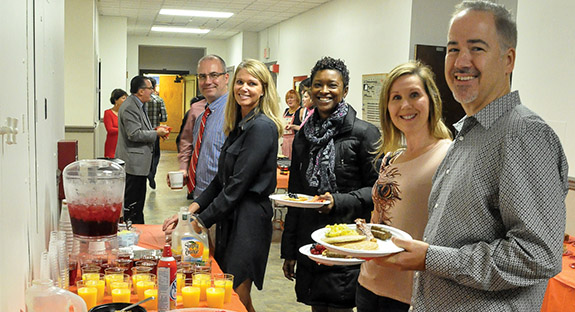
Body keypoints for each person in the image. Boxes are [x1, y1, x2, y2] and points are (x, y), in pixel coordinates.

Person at [374, 1, 569, 311]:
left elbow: (537, 255)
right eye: (453, 49)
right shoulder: (468, 135)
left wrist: (430, 258)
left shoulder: (524, 135)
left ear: (508, 60)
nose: (460, 62)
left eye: (476, 48)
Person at [166, 59, 283, 312]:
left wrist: (199, 220)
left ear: (263, 89)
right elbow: (221, 179)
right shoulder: (238, 125)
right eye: (240, 82)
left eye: (252, 83)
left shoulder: (262, 127)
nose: (244, 88)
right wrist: (190, 212)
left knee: (235, 297)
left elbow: (238, 186)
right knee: (229, 293)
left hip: (250, 221)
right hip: (232, 217)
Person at [281, 56, 380, 312]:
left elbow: (379, 191)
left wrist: (338, 201)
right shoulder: (304, 135)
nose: (324, 91)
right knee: (317, 306)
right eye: (317, 84)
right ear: (309, 89)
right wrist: (290, 250)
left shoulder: (364, 134)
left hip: (345, 242)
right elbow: (295, 196)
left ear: (344, 90)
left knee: (339, 306)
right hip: (309, 242)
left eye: (332, 85)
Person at [356, 61, 452, 312]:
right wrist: (345, 248)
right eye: (396, 97)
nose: (405, 105)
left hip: (410, 296)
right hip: (368, 284)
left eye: (414, 95)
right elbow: (377, 222)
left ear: (431, 100)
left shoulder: (449, 156)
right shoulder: (391, 158)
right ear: (387, 108)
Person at [172, 55, 229, 200]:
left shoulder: (234, 113)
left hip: (221, 199)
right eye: (202, 76)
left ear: (226, 78)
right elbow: (189, 142)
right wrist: (185, 171)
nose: (208, 81)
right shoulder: (202, 113)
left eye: (214, 75)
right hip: (200, 195)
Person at [116, 76, 169, 224]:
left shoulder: (138, 105)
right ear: (140, 91)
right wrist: (156, 134)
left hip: (139, 163)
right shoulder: (130, 107)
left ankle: (138, 230)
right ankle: (132, 232)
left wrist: (155, 129)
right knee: (133, 204)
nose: (152, 91)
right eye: (150, 88)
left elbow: (140, 129)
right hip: (133, 164)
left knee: (138, 202)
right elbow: (134, 134)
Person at [144, 77, 168, 189]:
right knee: (155, 155)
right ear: (154, 87)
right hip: (156, 132)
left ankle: (145, 172)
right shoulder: (159, 100)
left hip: (143, 132)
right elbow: (164, 117)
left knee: (144, 153)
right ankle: (152, 173)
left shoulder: (141, 101)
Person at [103, 88, 127, 158]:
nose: (125, 101)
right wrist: (124, 130)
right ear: (116, 100)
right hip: (112, 145)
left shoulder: (126, 113)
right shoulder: (108, 113)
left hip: (124, 144)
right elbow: (110, 129)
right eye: (123, 98)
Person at [281, 89, 302, 158]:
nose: (289, 100)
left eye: (292, 98)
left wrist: (293, 126)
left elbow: (305, 128)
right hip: (285, 141)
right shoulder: (286, 111)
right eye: (288, 98)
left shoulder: (301, 110)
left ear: (297, 99)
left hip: (296, 141)